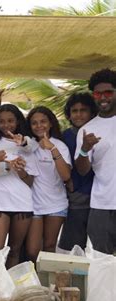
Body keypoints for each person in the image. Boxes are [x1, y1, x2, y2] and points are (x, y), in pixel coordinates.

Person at [0, 104, 38, 268]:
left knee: (15, 250)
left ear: (18, 121)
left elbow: (30, 181)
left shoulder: (25, 144)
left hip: (22, 203)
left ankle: (10, 290)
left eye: (10, 121)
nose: (6, 125)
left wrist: (20, 170)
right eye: (2, 121)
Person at [75, 68, 116, 254]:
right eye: (98, 93)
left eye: (108, 92)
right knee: (103, 261)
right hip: (102, 205)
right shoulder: (87, 129)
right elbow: (82, 170)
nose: (103, 97)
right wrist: (84, 149)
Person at [25, 106, 71, 262]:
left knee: (50, 246)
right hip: (34, 205)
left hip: (56, 204)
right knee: (32, 251)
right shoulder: (28, 146)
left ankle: (47, 284)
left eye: (43, 122)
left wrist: (52, 149)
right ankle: (35, 284)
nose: (39, 126)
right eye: (34, 123)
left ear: (51, 123)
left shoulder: (60, 145)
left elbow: (65, 176)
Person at [58, 93, 97, 251]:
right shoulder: (64, 137)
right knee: (73, 249)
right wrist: (67, 182)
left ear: (92, 112)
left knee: (101, 250)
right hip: (75, 199)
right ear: (69, 114)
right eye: (74, 111)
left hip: (100, 198)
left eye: (83, 110)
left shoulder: (101, 132)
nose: (79, 114)